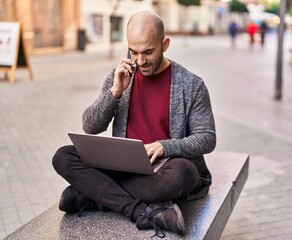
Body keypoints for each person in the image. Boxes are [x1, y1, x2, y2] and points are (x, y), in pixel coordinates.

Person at [52, 10, 216, 238]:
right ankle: (140, 211)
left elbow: (207, 138)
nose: (140, 61)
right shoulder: (120, 76)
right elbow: (90, 127)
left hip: (164, 168)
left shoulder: (191, 85)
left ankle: (92, 195)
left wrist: (163, 146)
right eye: (134, 51)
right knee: (63, 156)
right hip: (123, 167)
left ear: (165, 44)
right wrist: (115, 92)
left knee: (185, 173)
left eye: (148, 52)